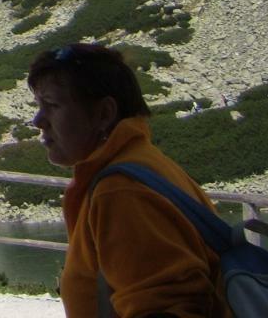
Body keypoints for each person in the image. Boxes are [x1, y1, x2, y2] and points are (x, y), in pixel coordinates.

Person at [28, 43, 228, 318]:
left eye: (51, 105)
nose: (38, 120)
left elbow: (166, 309)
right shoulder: (145, 162)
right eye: (38, 105)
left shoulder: (121, 190)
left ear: (104, 114)